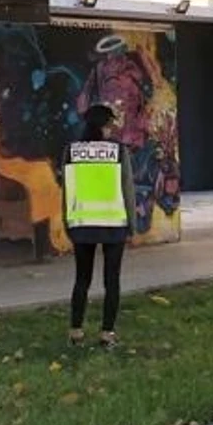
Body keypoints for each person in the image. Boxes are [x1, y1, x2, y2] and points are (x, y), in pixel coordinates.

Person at [59, 103, 137, 350]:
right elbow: (128, 190)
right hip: (114, 224)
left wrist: (67, 223)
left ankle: (76, 331)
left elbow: (67, 190)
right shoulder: (117, 151)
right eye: (110, 124)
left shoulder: (71, 151)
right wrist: (132, 226)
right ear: (104, 125)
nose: (110, 129)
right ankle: (107, 334)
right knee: (111, 280)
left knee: (82, 279)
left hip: (81, 225)